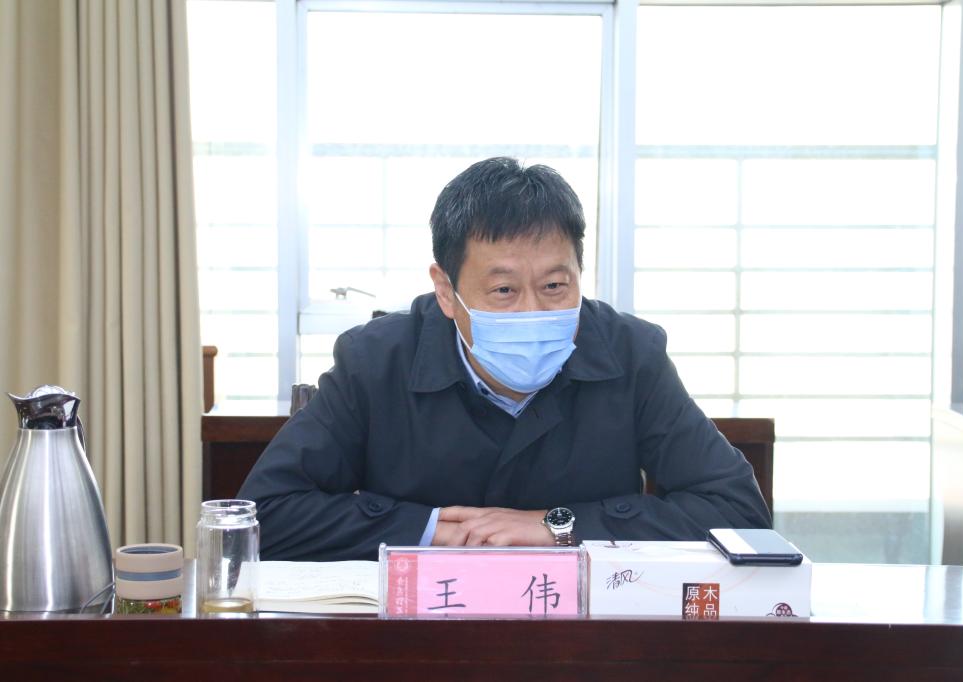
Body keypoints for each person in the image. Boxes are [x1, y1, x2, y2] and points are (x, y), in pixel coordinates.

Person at [238, 157, 770, 560]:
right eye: (503, 291)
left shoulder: (632, 353)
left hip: (581, 644)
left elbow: (737, 511)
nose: (533, 312)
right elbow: (265, 514)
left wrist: (557, 526)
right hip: (419, 639)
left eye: (555, 286)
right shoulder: (376, 359)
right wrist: (427, 528)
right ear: (446, 291)